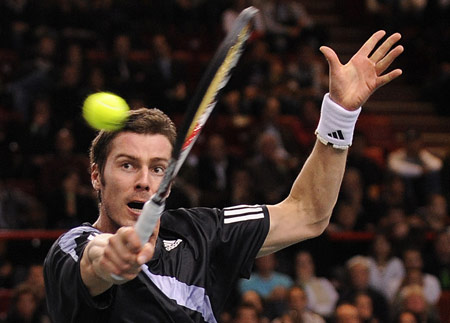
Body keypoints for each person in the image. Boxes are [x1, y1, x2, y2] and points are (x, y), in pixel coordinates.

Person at [44, 30, 404, 322]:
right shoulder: (74, 247)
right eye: (127, 165)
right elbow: (94, 261)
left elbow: (308, 213)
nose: (144, 180)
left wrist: (339, 116)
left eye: (157, 168)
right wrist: (112, 257)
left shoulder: (201, 233)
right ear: (95, 176)